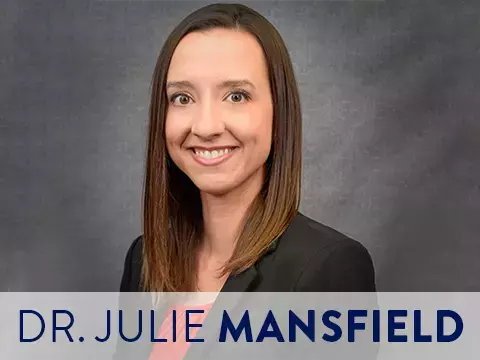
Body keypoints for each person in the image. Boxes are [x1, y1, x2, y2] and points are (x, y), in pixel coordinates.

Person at [115, 3, 377, 359]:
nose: (205, 126)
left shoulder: (329, 269)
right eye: (182, 97)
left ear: (278, 113)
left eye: (236, 96)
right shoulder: (145, 257)